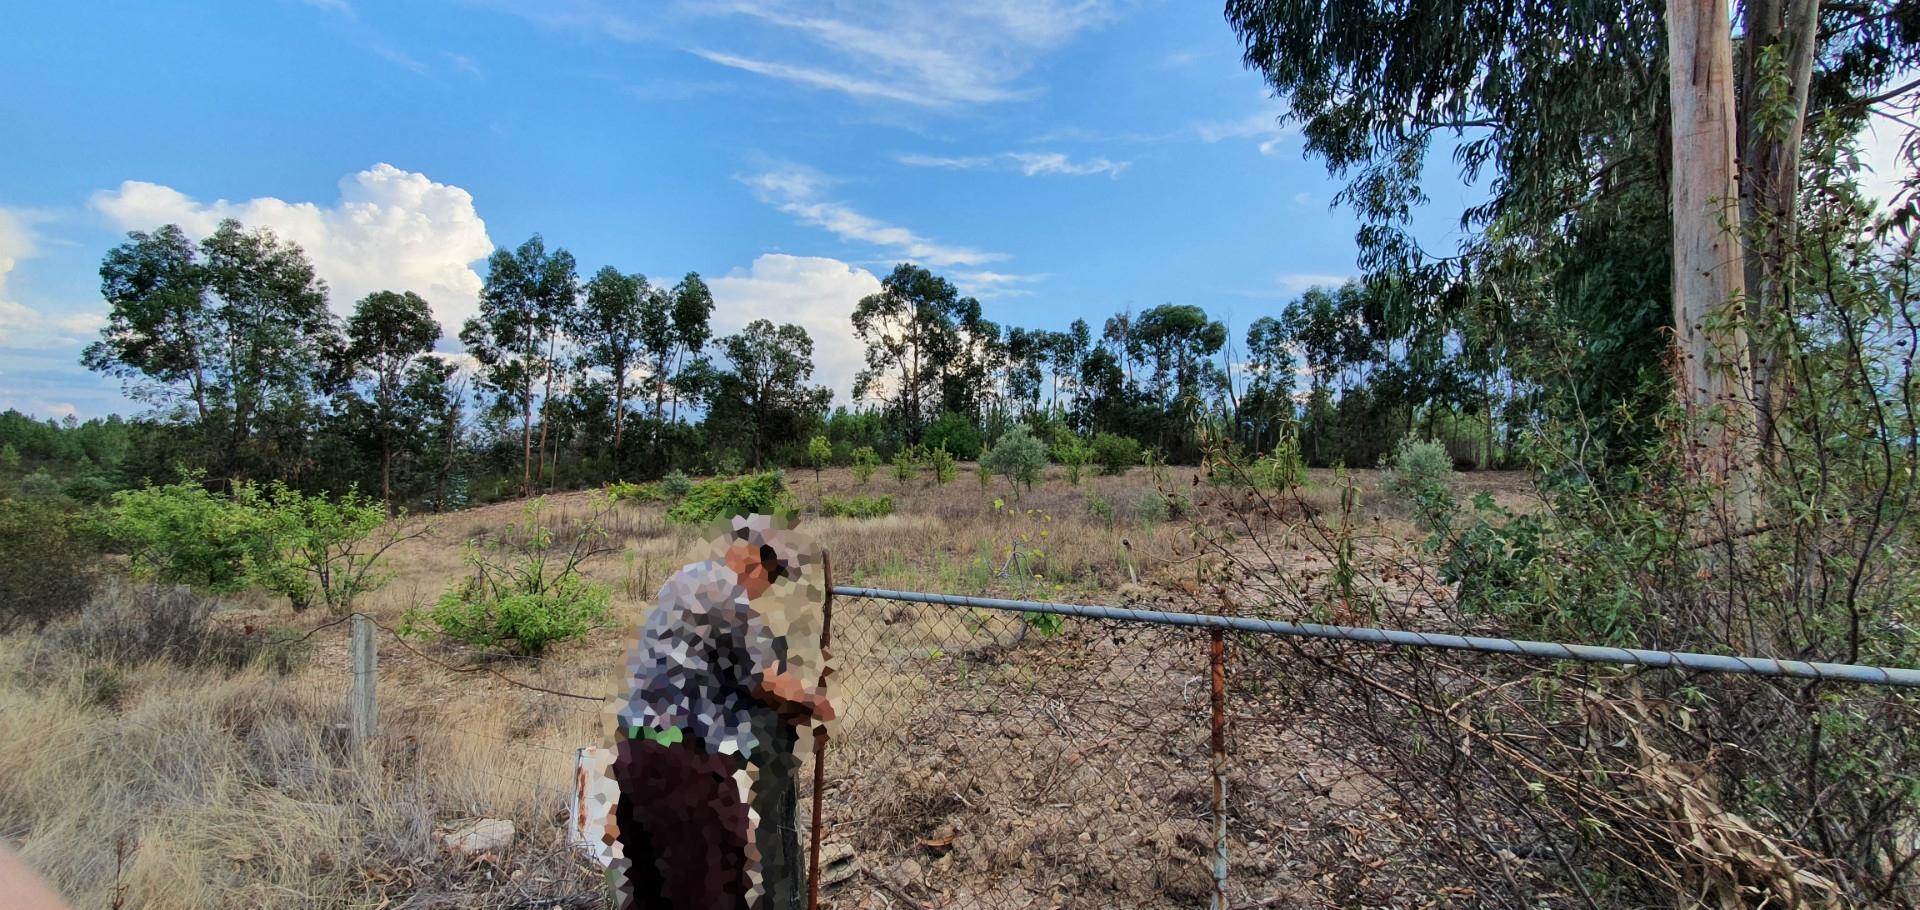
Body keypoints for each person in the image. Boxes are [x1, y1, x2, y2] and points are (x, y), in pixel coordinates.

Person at [608, 516, 835, 910]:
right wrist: (817, 705)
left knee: (651, 888)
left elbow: (726, 672)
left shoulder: (683, 580)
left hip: (637, 754)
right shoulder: (725, 592)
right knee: (715, 883)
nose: (768, 586)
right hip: (681, 763)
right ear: (754, 560)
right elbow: (764, 681)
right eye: (773, 574)